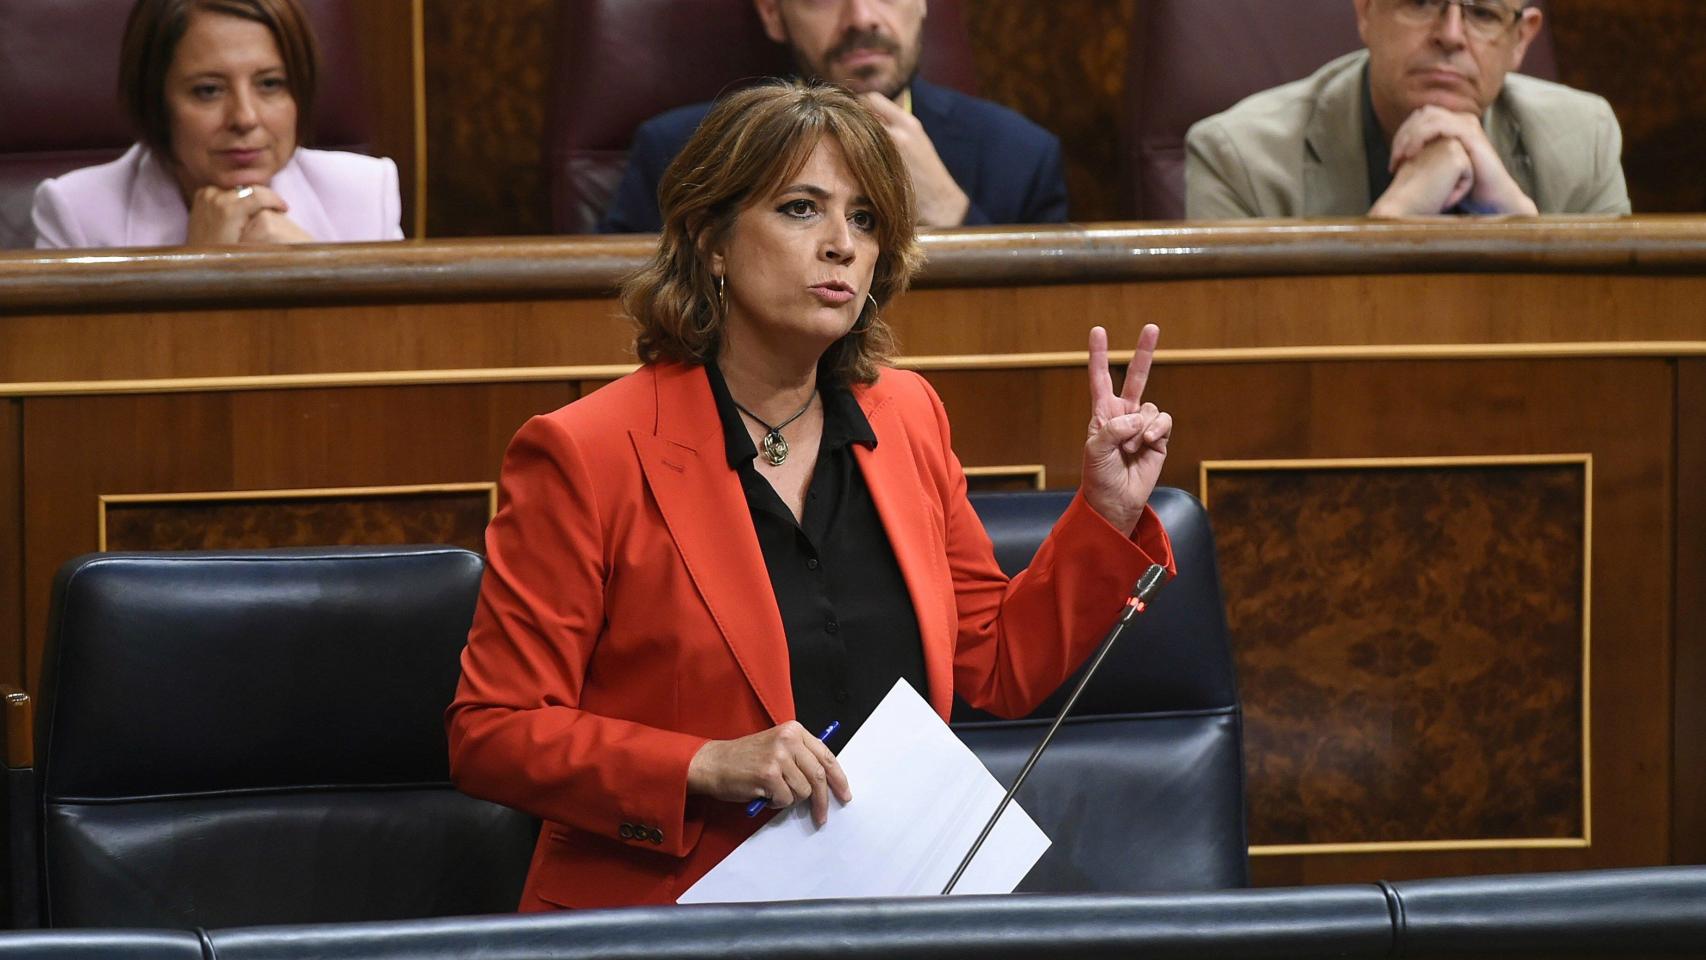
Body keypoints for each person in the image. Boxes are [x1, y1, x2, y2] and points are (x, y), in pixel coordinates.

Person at [447, 80, 1173, 911]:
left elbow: (997, 663)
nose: (841, 245)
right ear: (709, 239)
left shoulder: (905, 416)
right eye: (801, 209)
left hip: (888, 903)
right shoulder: (586, 451)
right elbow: (492, 731)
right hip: (669, 914)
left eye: (865, 220)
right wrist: (702, 764)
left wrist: (1108, 511)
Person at [598, 0, 1068, 233]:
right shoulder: (678, 151)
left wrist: (951, 215)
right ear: (773, 14)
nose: (861, 17)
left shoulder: (1023, 157)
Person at [1185, 0, 1630, 218]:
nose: (1451, 35)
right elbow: (1256, 369)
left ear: (1521, 41)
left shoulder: (1584, 140)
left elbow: (1619, 348)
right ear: (1365, 12)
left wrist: (1517, 220)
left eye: (1483, 13)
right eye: (1420, 2)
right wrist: (1393, 220)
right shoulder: (1238, 159)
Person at [31, 0, 402, 249]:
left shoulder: (365, 194)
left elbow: (396, 359)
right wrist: (199, 272)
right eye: (208, 90)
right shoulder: (76, 214)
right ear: (155, 100)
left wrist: (315, 274)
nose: (244, 117)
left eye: (270, 84)